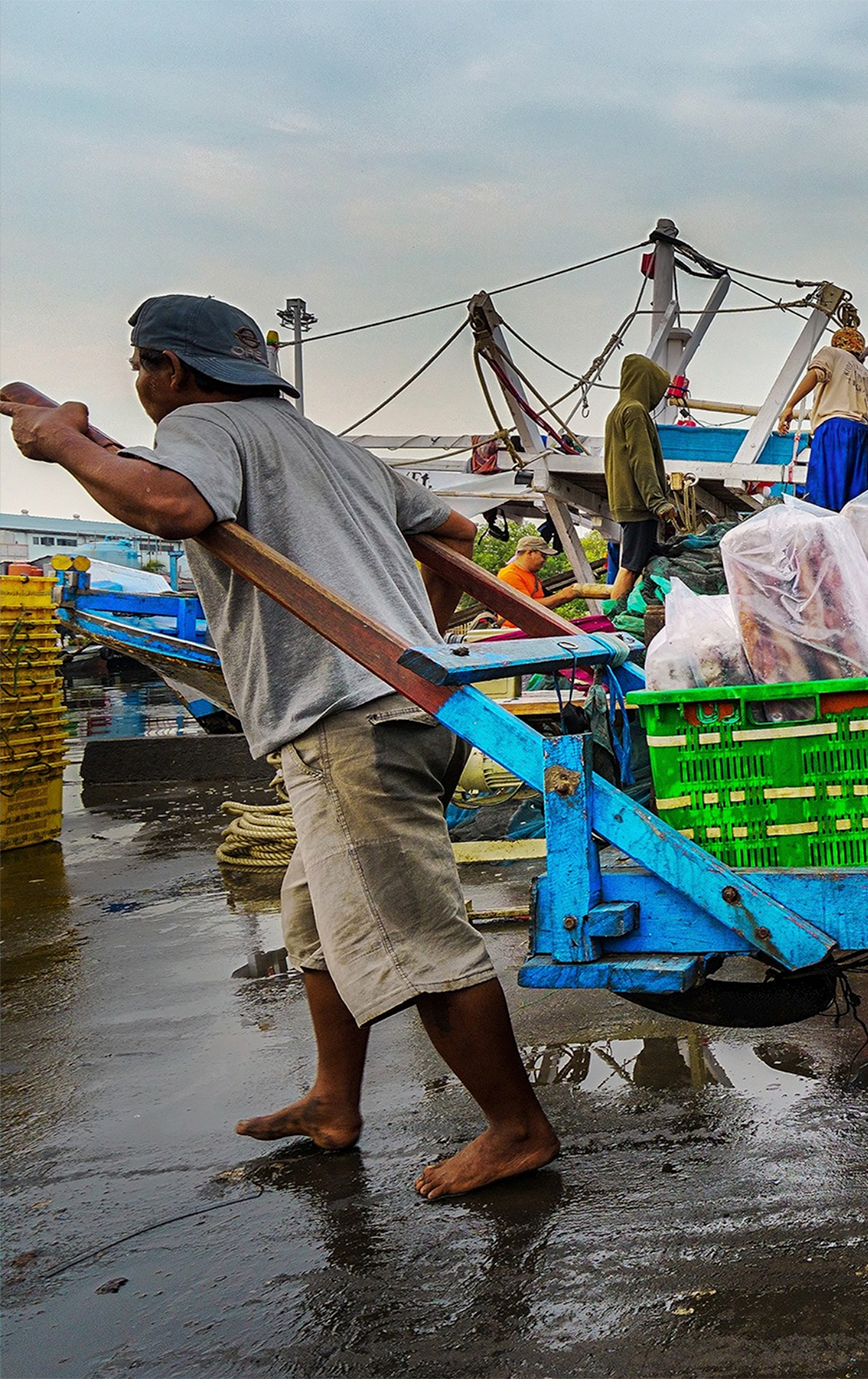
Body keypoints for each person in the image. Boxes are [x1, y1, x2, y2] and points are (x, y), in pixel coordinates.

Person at [0, 295, 558, 1199]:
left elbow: (173, 506)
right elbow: (454, 536)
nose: (142, 387)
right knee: (316, 923)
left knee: (415, 939)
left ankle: (518, 1128)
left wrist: (62, 441)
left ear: (168, 371)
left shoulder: (200, 426)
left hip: (347, 728)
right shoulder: (329, 447)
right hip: (409, 711)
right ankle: (334, 1102)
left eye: (143, 369)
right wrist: (416, 638)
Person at [602, 354, 677, 607]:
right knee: (630, 567)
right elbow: (641, 460)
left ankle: (624, 615)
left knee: (642, 561)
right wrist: (658, 502)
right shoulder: (634, 411)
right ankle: (611, 620)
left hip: (629, 502)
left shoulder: (618, 411)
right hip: (639, 505)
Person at [777, 324, 868, 512]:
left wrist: (790, 405)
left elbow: (815, 374)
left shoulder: (832, 353)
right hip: (860, 434)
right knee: (851, 500)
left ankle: (822, 535)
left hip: (834, 427)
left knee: (824, 492)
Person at [492, 534, 581, 627]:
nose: (544, 560)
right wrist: (562, 596)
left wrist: (566, 596)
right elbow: (527, 606)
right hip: (516, 631)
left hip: (530, 629)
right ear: (530, 553)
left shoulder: (529, 574)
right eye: (543, 555)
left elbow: (544, 600)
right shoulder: (510, 575)